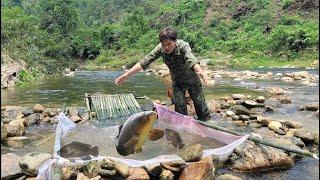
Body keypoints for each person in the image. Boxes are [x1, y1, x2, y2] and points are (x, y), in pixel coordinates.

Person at [115, 27, 211, 121]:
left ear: (175, 41)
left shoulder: (183, 46)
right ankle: (184, 132)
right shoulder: (160, 49)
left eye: (169, 44)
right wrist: (126, 75)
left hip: (192, 80)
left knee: (200, 107)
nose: (166, 47)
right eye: (163, 44)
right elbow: (144, 62)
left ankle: (207, 126)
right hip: (177, 82)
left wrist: (200, 72)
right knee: (180, 110)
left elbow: (192, 59)